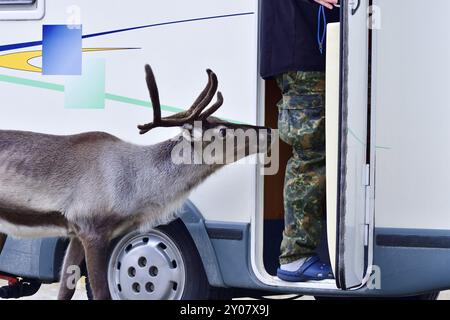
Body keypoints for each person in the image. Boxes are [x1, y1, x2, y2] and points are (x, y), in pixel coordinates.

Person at [260, 0, 340, 282]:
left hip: (315, 52)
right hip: (303, 55)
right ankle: (295, 256)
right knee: (310, 156)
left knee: (318, 155)